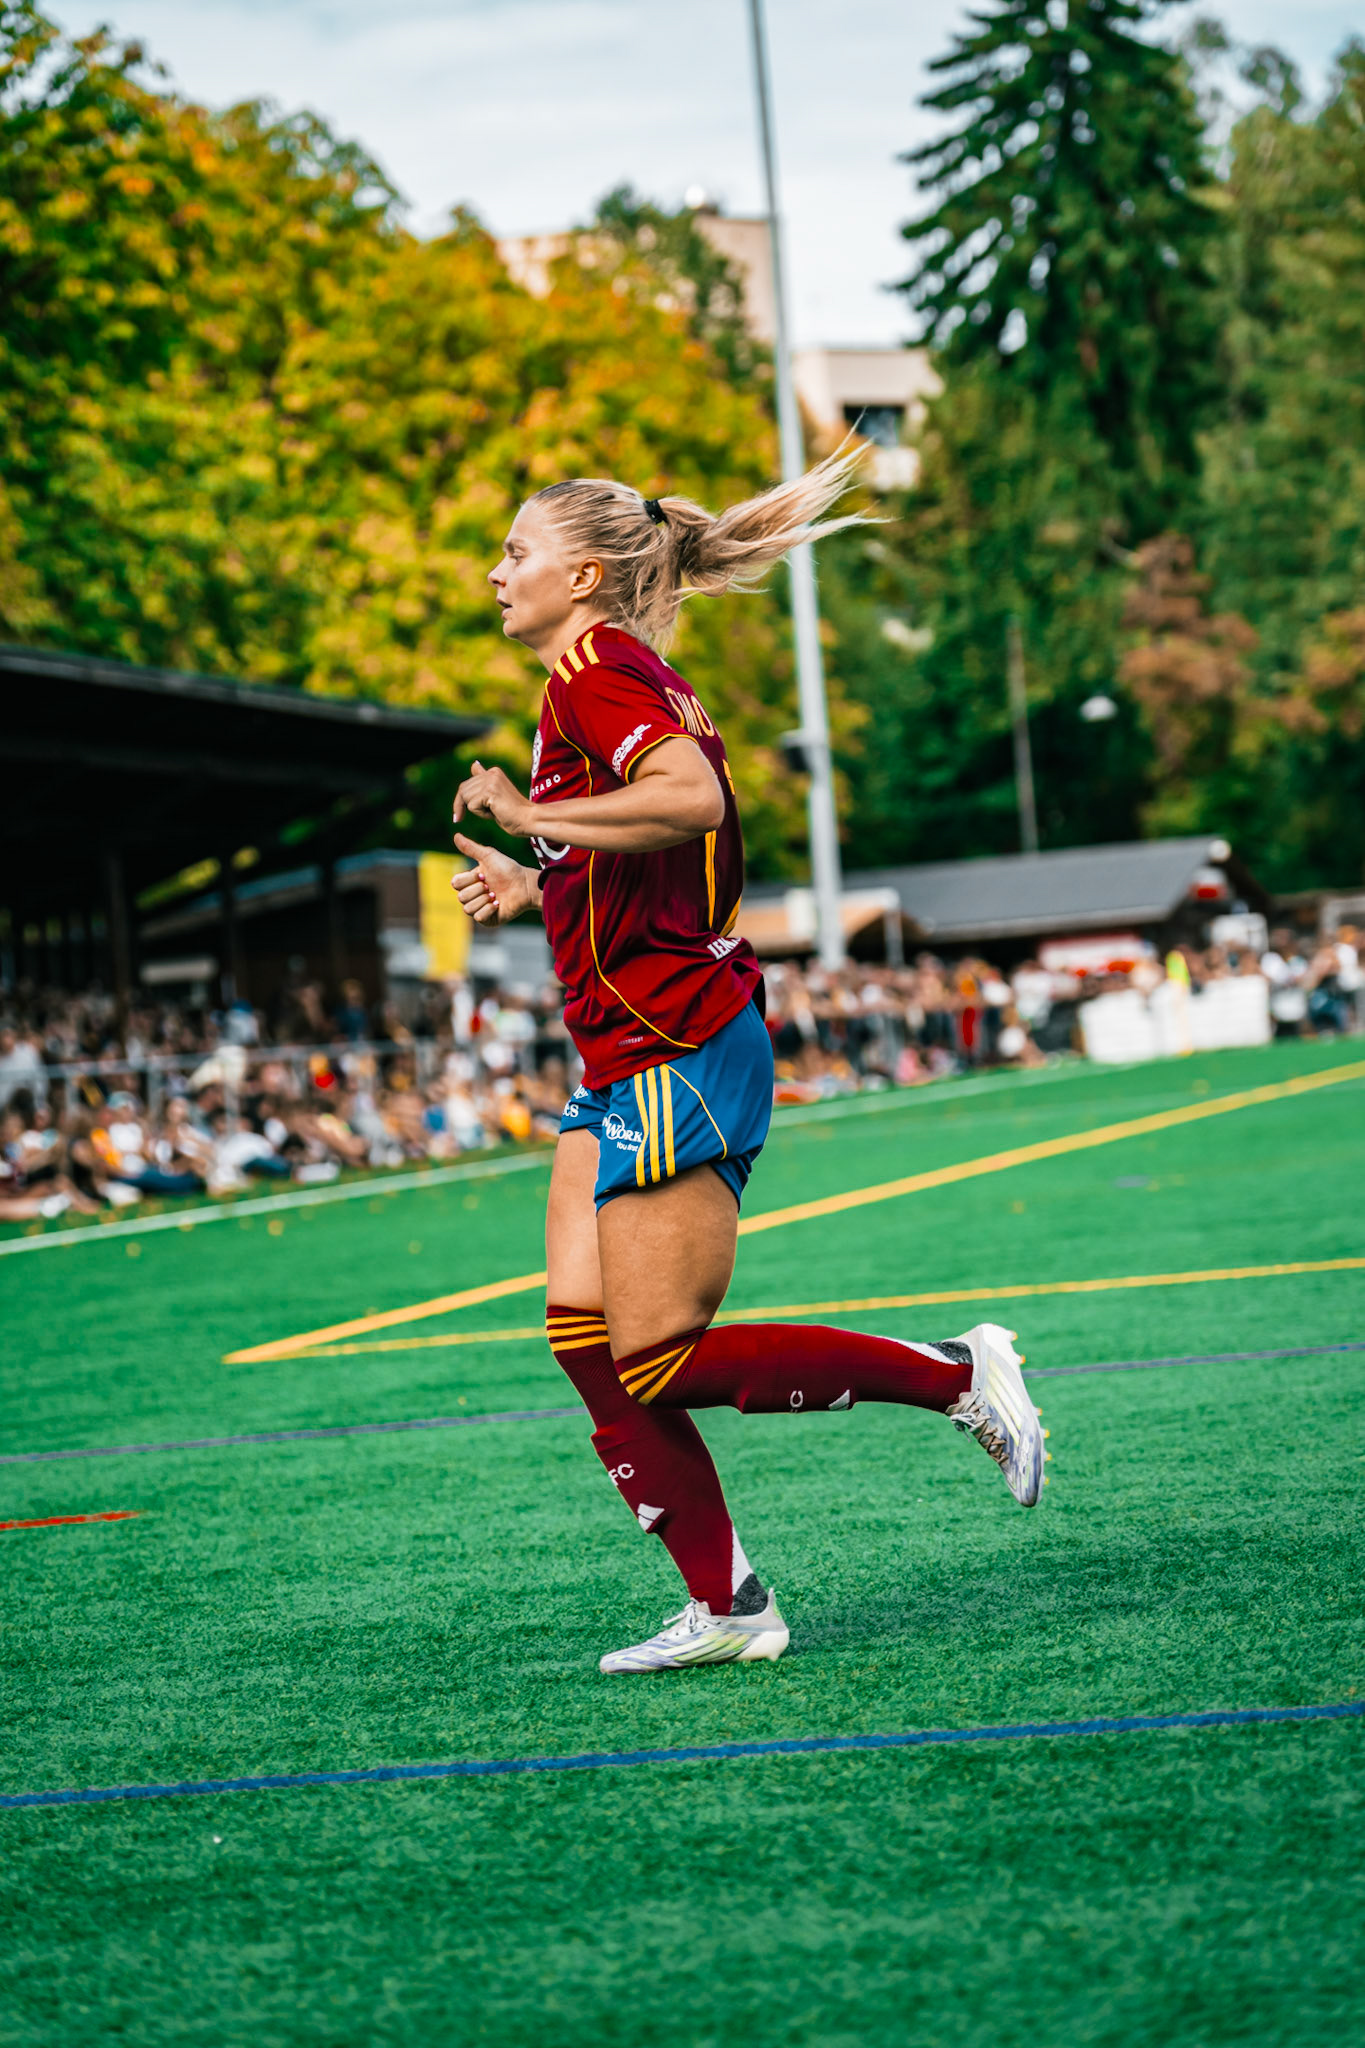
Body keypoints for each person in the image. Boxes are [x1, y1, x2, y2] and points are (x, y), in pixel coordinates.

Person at [450, 454, 1046, 1675]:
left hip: (676, 1042)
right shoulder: (596, 677)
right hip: (626, 1045)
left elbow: (691, 798)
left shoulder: (595, 668)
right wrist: (536, 877)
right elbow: (643, 835)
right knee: (584, 1335)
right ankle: (727, 1602)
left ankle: (954, 1375)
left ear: (587, 572)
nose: (496, 571)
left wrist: (531, 818)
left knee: (659, 1353)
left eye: (516, 551)